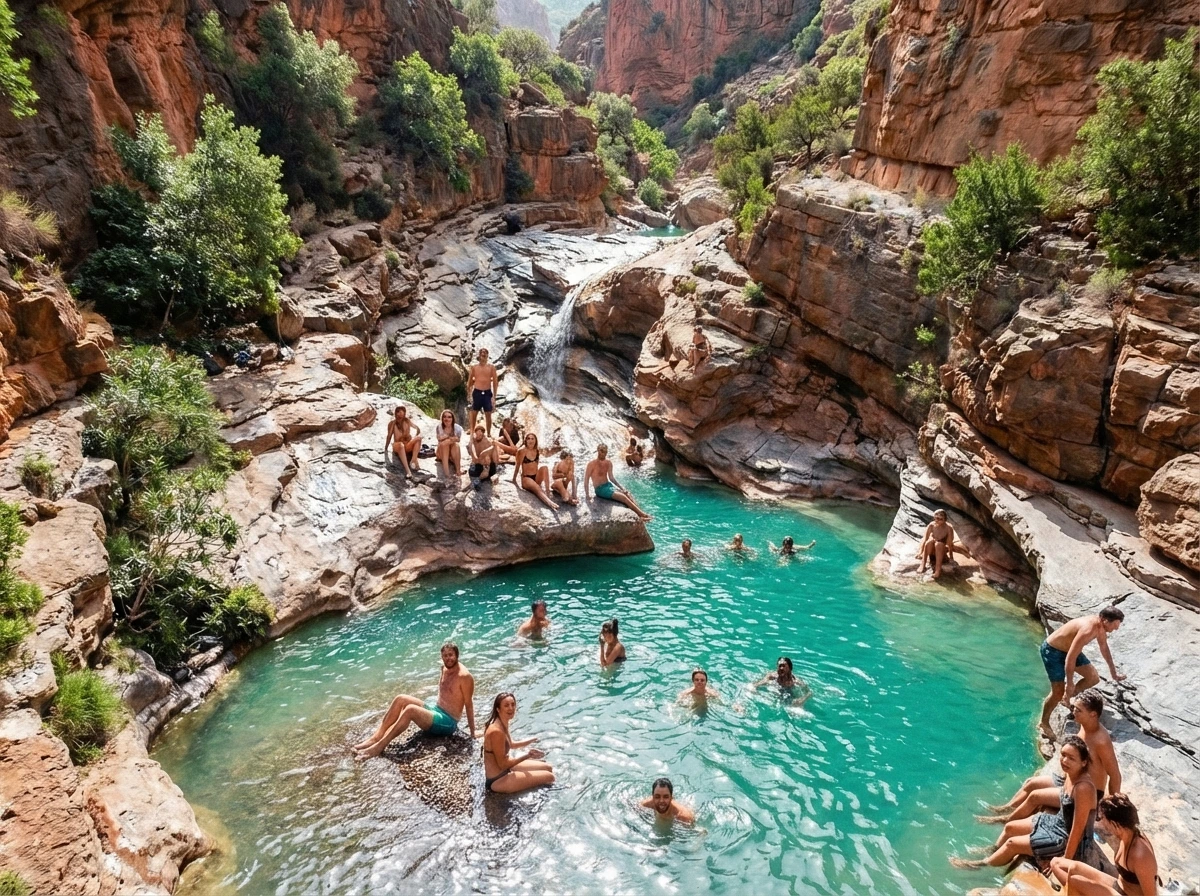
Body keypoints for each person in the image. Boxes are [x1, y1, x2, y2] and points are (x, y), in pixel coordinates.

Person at [951, 735, 1097, 869]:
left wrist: (1064, 860)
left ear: (1084, 762)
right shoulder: (1071, 775)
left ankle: (980, 865)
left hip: (1063, 837)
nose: (1065, 760)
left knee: (1012, 844)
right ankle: (992, 851)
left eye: (1071, 758)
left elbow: (1078, 829)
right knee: (1010, 828)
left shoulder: (1083, 788)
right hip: (1057, 822)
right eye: (1063, 755)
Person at [985, 690, 1121, 822]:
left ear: (1093, 714)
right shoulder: (1086, 725)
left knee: (1035, 797)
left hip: (1085, 793)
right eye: (1074, 708)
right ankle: (1006, 809)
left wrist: (1108, 809)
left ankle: (1007, 820)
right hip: (1071, 780)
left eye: (1078, 710)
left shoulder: (1101, 741)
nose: (1073, 712)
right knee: (1030, 783)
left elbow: (1115, 775)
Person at [352, 642, 476, 758]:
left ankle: (379, 746)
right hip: (436, 710)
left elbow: (469, 705)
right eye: (445, 656)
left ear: (457, 655)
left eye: (451, 655)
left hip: (448, 722)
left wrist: (472, 734)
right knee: (401, 698)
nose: (448, 658)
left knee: (410, 710)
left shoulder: (464, 676)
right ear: (441, 656)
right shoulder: (443, 667)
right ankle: (376, 737)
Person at [1038, 605, 1126, 740]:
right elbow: (1071, 658)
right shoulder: (1088, 628)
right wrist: (1070, 683)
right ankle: (1044, 723)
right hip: (1052, 651)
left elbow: (1104, 648)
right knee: (1057, 691)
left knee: (1093, 677)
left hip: (1069, 651)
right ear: (1104, 620)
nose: (1116, 628)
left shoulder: (1101, 627)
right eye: (1115, 624)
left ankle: (1066, 698)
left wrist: (1113, 673)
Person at [1049, 793, 1160, 896]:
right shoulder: (1126, 834)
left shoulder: (1140, 855)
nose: (1101, 823)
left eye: (1102, 819)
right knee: (1057, 864)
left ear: (1115, 823)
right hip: (1118, 885)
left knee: (1074, 881)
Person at [481, 692, 555, 794]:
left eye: (513, 704)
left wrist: (531, 740)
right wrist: (528, 755)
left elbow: (511, 745)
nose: (511, 708)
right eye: (506, 705)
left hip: (507, 769)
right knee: (550, 777)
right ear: (498, 709)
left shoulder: (502, 722)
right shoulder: (496, 731)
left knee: (548, 768)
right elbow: (503, 764)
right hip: (498, 780)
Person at [584, 444, 651, 521]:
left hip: (608, 486)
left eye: (606, 451)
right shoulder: (591, 464)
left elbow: (611, 478)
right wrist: (587, 495)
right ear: (598, 451)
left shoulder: (608, 463)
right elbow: (586, 479)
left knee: (627, 494)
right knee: (623, 497)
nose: (604, 453)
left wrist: (622, 488)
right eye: (602, 451)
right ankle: (641, 515)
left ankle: (639, 514)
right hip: (600, 489)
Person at [512, 432, 558, 511]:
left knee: (545, 468)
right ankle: (549, 503)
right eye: (528, 438)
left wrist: (539, 477)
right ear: (525, 441)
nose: (530, 440)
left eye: (532, 439)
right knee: (537, 488)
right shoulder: (522, 451)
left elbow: (536, 465)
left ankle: (547, 491)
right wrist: (514, 479)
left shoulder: (536, 450)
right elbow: (517, 465)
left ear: (535, 441)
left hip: (535, 477)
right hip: (526, 479)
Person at [915, 509, 967, 578]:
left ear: (944, 519)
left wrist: (951, 556)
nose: (938, 520)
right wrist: (920, 552)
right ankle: (923, 564)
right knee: (929, 542)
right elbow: (925, 539)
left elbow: (950, 543)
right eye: (936, 518)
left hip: (941, 554)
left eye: (940, 519)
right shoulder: (931, 525)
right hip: (932, 554)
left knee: (938, 544)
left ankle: (938, 570)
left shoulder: (948, 528)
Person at [467, 348, 499, 436]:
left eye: (485, 353)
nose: (483, 354)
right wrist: (468, 393)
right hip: (477, 392)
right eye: (482, 353)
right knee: (474, 412)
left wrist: (494, 397)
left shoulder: (491, 367)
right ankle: (472, 430)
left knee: (488, 414)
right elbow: (469, 382)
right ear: (479, 355)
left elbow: (495, 383)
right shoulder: (474, 367)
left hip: (487, 393)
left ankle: (488, 433)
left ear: (487, 355)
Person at [384, 405, 422, 477]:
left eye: (402, 414)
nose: (400, 416)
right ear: (395, 414)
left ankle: (413, 460)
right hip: (397, 446)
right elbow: (389, 436)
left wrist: (415, 436)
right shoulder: (392, 423)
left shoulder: (407, 421)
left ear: (404, 414)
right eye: (398, 413)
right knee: (401, 445)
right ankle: (408, 471)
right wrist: (386, 448)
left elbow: (417, 428)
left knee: (419, 438)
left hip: (407, 444)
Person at [434, 409, 465, 481]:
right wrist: (450, 438)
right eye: (444, 417)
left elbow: (458, 439)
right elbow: (439, 439)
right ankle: (447, 474)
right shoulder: (439, 427)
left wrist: (447, 438)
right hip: (441, 451)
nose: (446, 419)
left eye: (449, 417)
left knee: (456, 445)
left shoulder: (457, 428)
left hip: (452, 451)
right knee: (445, 445)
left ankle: (458, 470)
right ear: (442, 418)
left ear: (452, 418)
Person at [467, 424, 498, 489]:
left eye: (480, 435)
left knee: (486, 460)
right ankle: (481, 478)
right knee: (472, 471)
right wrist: (476, 458)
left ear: (483, 434)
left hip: (487, 466)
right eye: (477, 434)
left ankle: (480, 479)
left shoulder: (487, 442)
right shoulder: (473, 440)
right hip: (478, 464)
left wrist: (483, 454)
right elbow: (473, 454)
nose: (478, 436)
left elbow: (494, 459)